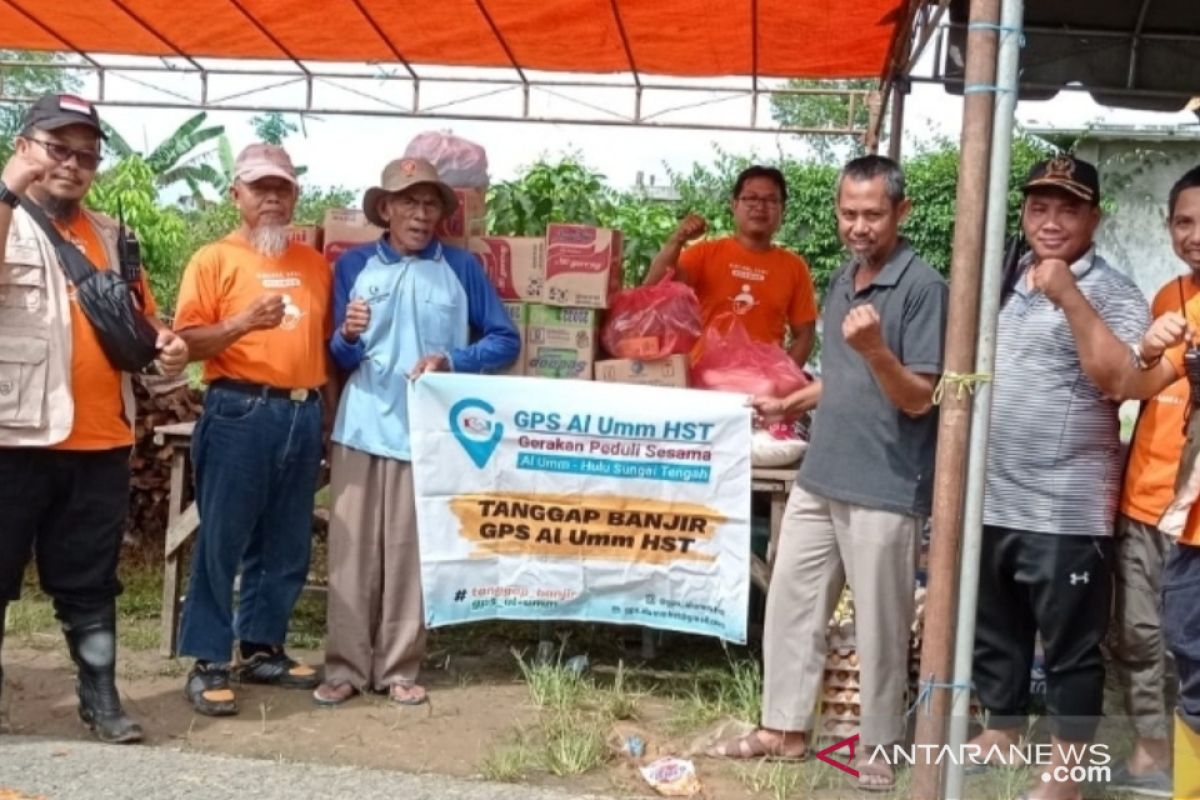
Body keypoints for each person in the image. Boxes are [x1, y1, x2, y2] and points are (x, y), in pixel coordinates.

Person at [707, 155, 947, 793]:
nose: (859, 226)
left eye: (873, 213)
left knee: (882, 625)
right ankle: (782, 731)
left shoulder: (924, 287)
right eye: (849, 213)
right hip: (822, 472)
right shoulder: (845, 278)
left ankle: (879, 748)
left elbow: (919, 396)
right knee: (789, 606)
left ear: (902, 212)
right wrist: (790, 401)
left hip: (886, 484)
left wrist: (876, 350)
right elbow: (840, 376)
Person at [0, 94, 188, 742]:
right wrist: (6, 191)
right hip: (12, 435)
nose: (74, 165)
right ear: (24, 145)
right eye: (59, 148)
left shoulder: (111, 234)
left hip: (101, 436)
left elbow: (139, 322)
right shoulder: (6, 217)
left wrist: (166, 344)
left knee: (90, 580)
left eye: (87, 155)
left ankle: (101, 697)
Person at [969, 154, 1153, 800]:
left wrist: (1069, 295)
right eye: (1039, 207)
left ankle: (1066, 778)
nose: (1050, 221)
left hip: (1066, 505)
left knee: (1071, 647)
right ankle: (1002, 729)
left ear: (1094, 219)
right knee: (999, 627)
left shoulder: (1115, 291)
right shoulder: (1007, 275)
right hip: (992, 495)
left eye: (1068, 209)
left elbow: (1119, 382)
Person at [312, 157, 518, 706]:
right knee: (351, 553)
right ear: (386, 208)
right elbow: (337, 353)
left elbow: (505, 340)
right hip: (361, 425)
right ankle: (345, 668)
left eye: (430, 204)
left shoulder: (461, 268)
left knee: (409, 551)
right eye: (409, 202)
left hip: (427, 432)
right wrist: (349, 337)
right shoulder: (354, 266)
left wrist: (452, 359)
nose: (420, 214)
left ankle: (400, 667)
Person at [173, 143, 333, 716]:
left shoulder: (316, 265)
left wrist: (328, 422)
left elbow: (325, 349)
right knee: (223, 538)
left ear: (295, 196)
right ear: (235, 194)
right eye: (259, 187)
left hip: (302, 410)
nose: (271, 197)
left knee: (286, 541)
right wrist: (244, 321)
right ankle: (208, 659)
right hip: (239, 408)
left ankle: (263, 648)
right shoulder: (213, 259)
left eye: (282, 188)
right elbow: (185, 343)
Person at [1104, 167, 1200, 797]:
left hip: (1193, 513)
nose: (1195, 235)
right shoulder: (1168, 296)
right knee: (1139, 634)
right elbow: (1135, 386)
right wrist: (1144, 350)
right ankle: (1150, 753)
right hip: (1147, 497)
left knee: (1189, 645)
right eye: (1185, 222)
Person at [643, 165, 818, 367]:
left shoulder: (794, 266)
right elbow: (652, 288)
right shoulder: (704, 254)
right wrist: (677, 239)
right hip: (704, 380)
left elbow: (805, 335)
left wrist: (782, 380)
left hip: (761, 387)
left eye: (770, 200)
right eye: (751, 198)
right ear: (734, 205)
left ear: (782, 210)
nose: (760, 207)